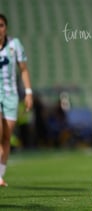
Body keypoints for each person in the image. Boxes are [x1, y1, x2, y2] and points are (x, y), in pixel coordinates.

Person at [0, 14, 33, 187]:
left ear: (6, 27)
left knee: (6, 137)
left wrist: (28, 93)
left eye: (1, 25)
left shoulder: (14, 45)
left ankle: (0, 175)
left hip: (11, 96)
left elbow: (24, 70)